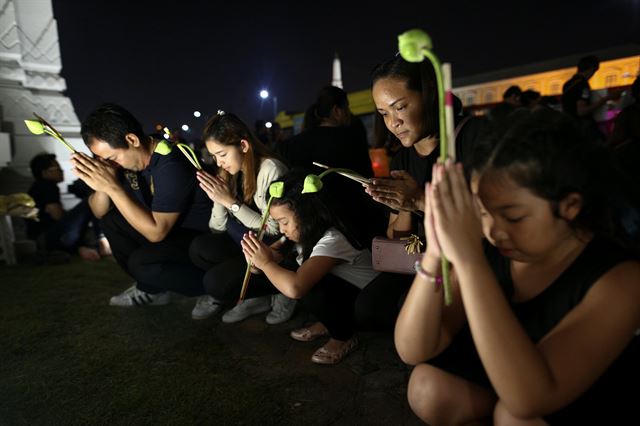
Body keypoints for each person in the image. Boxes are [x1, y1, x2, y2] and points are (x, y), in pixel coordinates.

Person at [395, 109, 640, 424]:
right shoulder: (494, 246)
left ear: (570, 206)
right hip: (510, 382)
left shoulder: (621, 278)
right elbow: (413, 349)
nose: (494, 231)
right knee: (429, 387)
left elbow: (529, 400)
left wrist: (470, 264)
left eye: (513, 216)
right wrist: (436, 252)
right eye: (482, 213)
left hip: (574, 396)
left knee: (514, 418)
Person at [354, 55, 488, 332]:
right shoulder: (402, 160)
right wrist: (401, 203)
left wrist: (417, 199)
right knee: (368, 306)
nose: (393, 123)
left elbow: (490, 221)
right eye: (383, 114)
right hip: (421, 256)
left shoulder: (473, 138)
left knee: (418, 317)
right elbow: (399, 240)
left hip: (471, 259)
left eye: (400, 107)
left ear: (429, 94)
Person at [71, 103, 213, 306]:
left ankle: (212, 290)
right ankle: (153, 288)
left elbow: (157, 232)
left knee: (141, 262)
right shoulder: (126, 159)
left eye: (112, 158)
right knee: (112, 220)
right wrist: (102, 181)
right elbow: (98, 211)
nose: (112, 164)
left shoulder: (170, 163)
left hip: (199, 242)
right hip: (170, 235)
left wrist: (113, 187)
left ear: (132, 139)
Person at [240, 170, 381, 364]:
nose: (281, 229)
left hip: (369, 301)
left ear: (307, 214)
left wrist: (264, 262)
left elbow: (295, 288)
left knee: (305, 286)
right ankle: (328, 322)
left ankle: (342, 336)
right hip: (345, 291)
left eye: (284, 222)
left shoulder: (333, 239)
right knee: (285, 269)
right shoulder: (298, 234)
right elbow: (272, 256)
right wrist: (256, 259)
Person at [189, 111, 296, 324]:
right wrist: (218, 197)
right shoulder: (230, 172)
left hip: (278, 247)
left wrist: (231, 203)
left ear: (244, 146)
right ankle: (257, 295)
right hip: (248, 241)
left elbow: (276, 230)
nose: (219, 163)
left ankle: (279, 288)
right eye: (214, 156)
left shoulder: (270, 169)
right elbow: (216, 228)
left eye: (222, 154)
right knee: (199, 249)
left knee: (216, 284)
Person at [26, 153, 109, 262]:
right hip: (48, 238)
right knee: (92, 201)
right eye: (57, 168)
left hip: (46, 239)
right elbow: (57, 215)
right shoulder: (46, 186)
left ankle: (85, 247)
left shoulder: (38, 187)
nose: (61, 171)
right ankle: (102, 242)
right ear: (45, 172)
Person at [562, 55, 621, 142]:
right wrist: (606, 99)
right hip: (582, 130)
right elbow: (581, 111)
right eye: (594, 71)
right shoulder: (582, 84)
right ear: (591, 69)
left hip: (569, 128)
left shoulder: (567, 84)